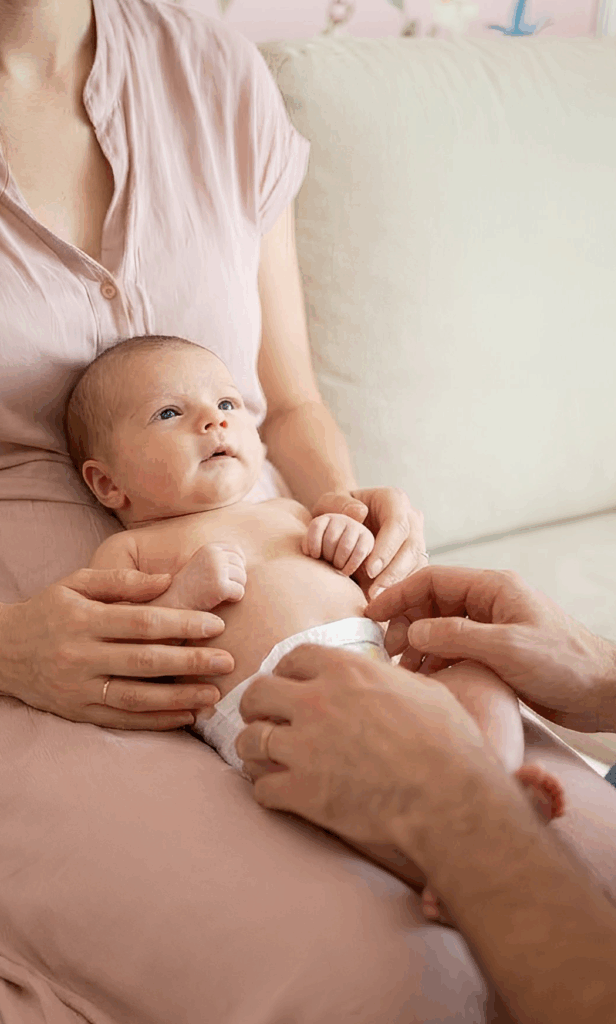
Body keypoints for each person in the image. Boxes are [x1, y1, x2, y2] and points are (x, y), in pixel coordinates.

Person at [0, 0, 504, 1020]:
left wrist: (348, 511)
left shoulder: (212, 73)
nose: (214, 421)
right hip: (44, 683)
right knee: (411, 976)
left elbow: (295, 402)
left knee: (594, 876)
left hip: (329, 617)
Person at [65, 332, 566, 922]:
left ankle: (496, 789)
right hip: (283, 702)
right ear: (107, 483)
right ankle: (443, 863)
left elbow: (364, 578)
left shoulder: (287, 511)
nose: (213, 422)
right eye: (170, 413)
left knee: (477, 670)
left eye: (227, 405)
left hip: (388, 666)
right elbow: (133, 663)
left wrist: (346, 540)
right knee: (332, 793)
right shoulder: (130, 551)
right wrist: (184, 596)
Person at [235, 564, 616, 1024]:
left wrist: (459, 808)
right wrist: (612, 683)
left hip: (374, 688)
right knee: (473, 667)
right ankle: (493, 785)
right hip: (380, 682)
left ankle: (485, 791)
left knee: (468, 688)